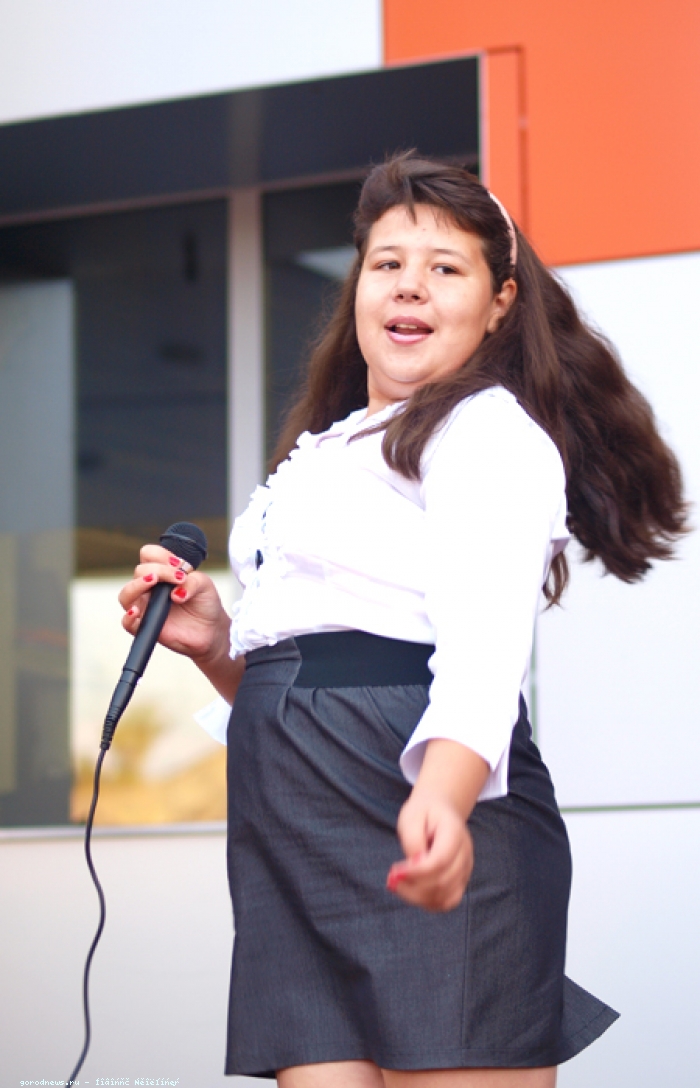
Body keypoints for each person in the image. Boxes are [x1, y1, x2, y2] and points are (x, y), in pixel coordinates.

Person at [119, 152, 687, 1087]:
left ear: (500, 303)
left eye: (444, 266)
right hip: (292, 833)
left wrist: (446, 798)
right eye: (387, 263)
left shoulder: (486, 430)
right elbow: (309, 669)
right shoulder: (326, 448)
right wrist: (220, 648)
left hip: (424, 806)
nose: (408, 284)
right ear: (359, 289)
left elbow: (483, 646)